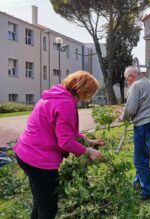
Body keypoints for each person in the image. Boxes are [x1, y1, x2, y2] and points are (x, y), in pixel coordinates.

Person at [14, 70, 104, 219]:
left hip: (26, 154)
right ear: (84, 90)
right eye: (90, 93)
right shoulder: (66, 104)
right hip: (39, 160)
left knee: (40, 204)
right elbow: (66, 142)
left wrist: (86, 140)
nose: (89, 97)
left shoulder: (56, 96)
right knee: (48, 210)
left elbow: (63, 131)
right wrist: (89, 152)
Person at [119, 66, 150, 200]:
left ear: (131, 77)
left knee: (140, 159)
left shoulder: (136, 86)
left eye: (127, 80)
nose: (127, 82)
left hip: (144, 125)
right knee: (143, 155)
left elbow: (130, 109)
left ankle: (148, 191)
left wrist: (121, 118)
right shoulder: (148, 83)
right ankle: (137, 182)